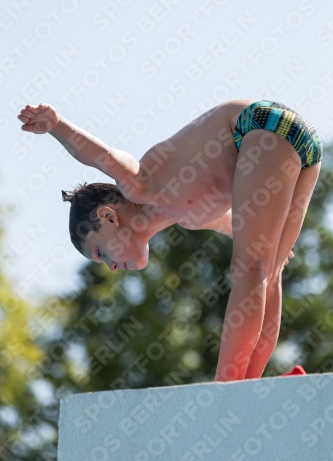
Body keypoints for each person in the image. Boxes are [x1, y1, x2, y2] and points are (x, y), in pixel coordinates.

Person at [17, 99, 323, 382]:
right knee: (269, 272)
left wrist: (57, 126)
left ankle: (226, 388)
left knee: (251, 268)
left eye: (100, 252)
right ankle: (251, 386)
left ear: (109, 217)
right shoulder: (193, 218)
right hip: (304, 150)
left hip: (258, 126)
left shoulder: (140, 185)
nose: (110, 266)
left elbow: (102, 156)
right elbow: (233, 226)